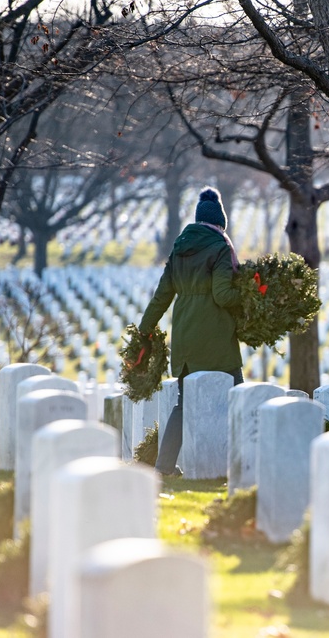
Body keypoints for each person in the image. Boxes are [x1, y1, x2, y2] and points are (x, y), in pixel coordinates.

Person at [138, 187, 244, 476]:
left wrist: (143, 333)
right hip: (217, 337)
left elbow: (161, 296)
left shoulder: (179, 248)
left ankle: (163, 467)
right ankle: (240, 464)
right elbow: (223, 295)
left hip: (185, 337)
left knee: (183, 404)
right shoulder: (221, 247)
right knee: (237, 397)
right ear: (220, 224)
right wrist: (247, 296)